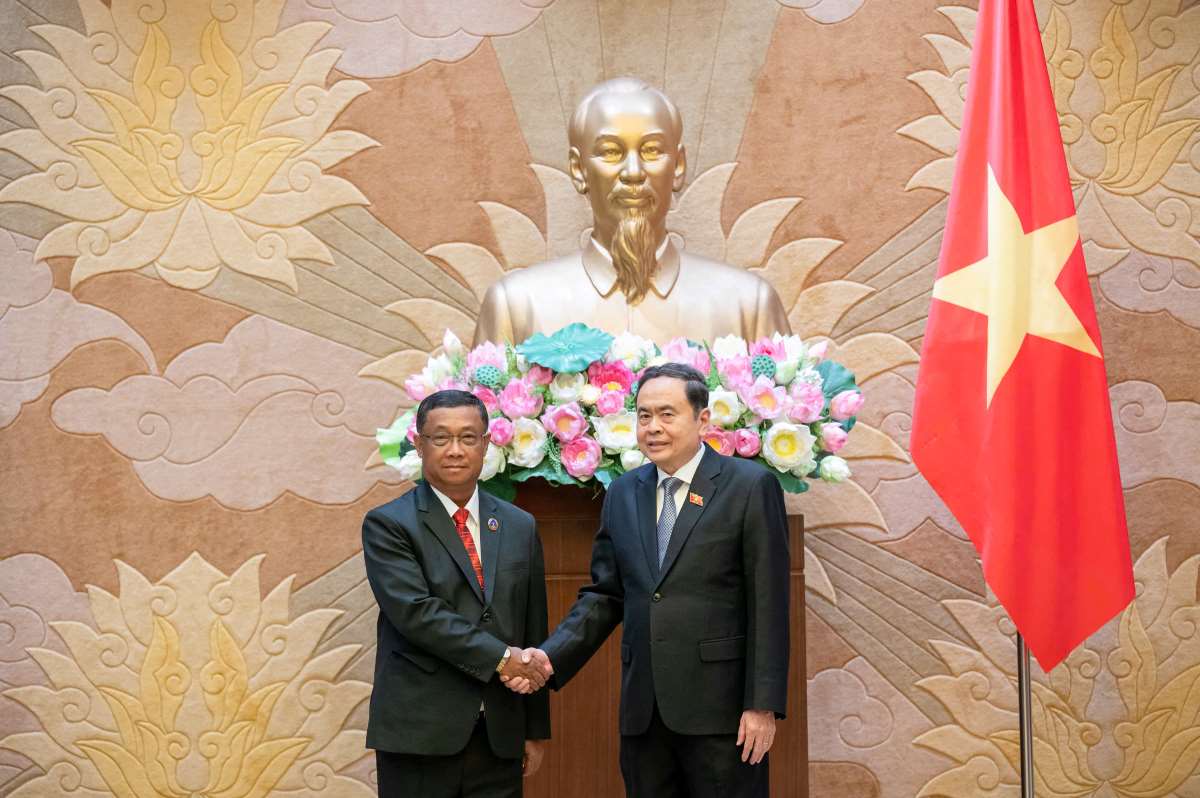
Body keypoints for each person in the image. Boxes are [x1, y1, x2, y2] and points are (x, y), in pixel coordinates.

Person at [515, 363, 791, 797]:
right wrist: (551, 657)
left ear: (702, 420)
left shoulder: (749, 487)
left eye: (667, 414)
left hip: (723, 713)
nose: (653, 427)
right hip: (644, 713)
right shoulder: (624, 492)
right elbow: (606, 594)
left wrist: (763, 704)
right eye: (644, 415)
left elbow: (770, 600)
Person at [472, 78, 791, 346]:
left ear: (677, 166)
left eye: (652, 150)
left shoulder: (748, 306)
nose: (634, 172)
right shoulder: (516, 307)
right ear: (578, 169)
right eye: (611, 152)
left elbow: (786, 421)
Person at [361, 389, 553, 797]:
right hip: (420, 734)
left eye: (468, 438)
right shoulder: (389, 525)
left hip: (499, 736)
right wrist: (503, 658)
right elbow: (417, 614)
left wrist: (534, 728)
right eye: (440, 438)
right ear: (419, 444)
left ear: (486, 445)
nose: (455, 450)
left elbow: (533, 626)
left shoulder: (520, 526)